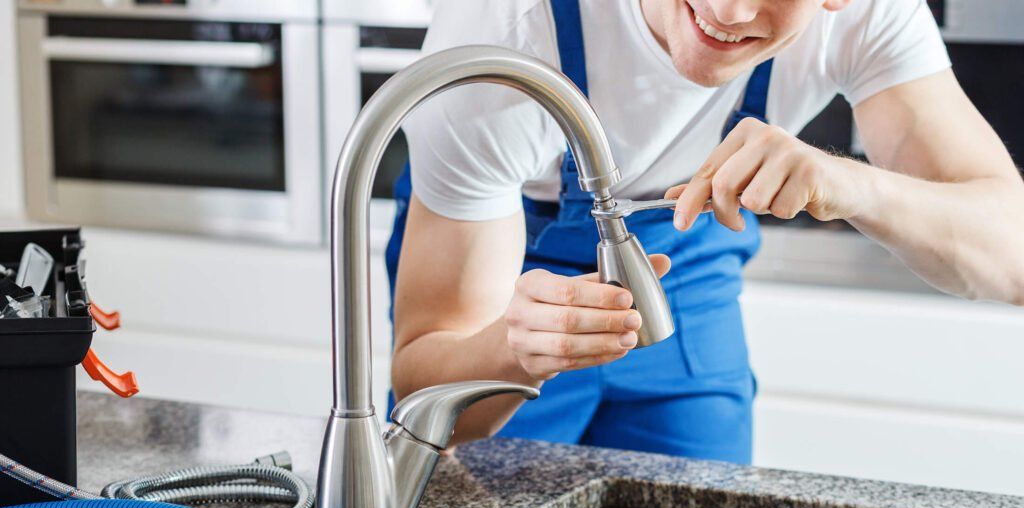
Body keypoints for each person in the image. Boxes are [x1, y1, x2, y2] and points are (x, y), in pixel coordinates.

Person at [384, 0, 1024, 464]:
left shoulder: (866, 16)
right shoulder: (500, 38)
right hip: (509, 285)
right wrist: (511, 350)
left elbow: (1012, 257)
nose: (730, 10)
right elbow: (428, 394)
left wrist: (853, 184)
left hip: (684, 274)